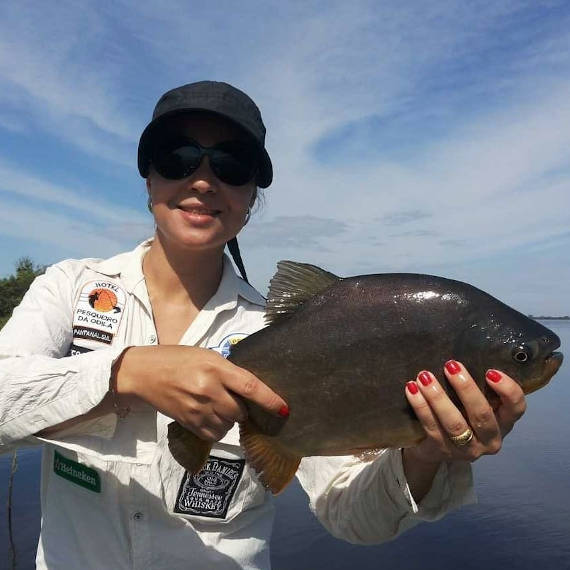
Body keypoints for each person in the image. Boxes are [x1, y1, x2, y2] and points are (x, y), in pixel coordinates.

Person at [0, 81, 527, 569]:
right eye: (177, 157)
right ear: (148, 175)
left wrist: (427, 452)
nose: (203, 180)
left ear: (252, 194)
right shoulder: (69, 288)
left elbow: (349, 514)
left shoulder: (298, 332)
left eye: (232, 164)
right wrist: (125, 374)